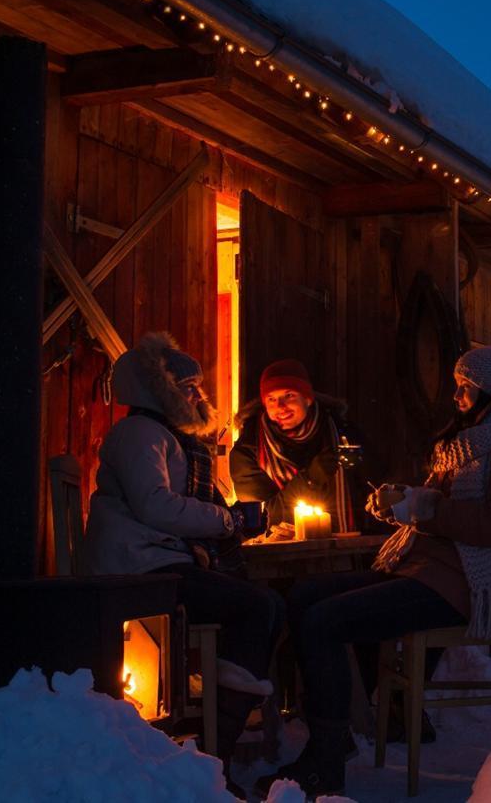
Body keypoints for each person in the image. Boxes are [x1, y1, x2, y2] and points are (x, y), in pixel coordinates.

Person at [260, 345, 491, 797]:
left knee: (324, 621)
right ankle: (341, 727)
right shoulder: (476, 437)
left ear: (490, 390)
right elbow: (445, 504)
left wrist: (422, 508)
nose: (456, 396)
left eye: (465, 387)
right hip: (426, 567)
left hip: (465, 582)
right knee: (304, 594)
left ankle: (325, 759)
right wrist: (403, 499)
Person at [80, 332, 284, 789]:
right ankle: (217, 757)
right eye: (186, 387)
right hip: (137, 569)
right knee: (257, 606)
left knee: (268, 603)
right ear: (160, 389)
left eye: (197, 387)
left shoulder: (162, 436)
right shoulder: (140, 433)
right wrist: (227, 520)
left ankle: (217, 744)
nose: (196, 395)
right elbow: (155, 505)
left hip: (155, 560)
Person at [229, 359, 378, 534]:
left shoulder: (341, 434)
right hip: (282, 547)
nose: (280, 406)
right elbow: (260, 519)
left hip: (350, 544)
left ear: (307, 399)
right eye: (271, 399)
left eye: (289, 395)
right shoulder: (248, 450)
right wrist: (311, 479)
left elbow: (374, 487)